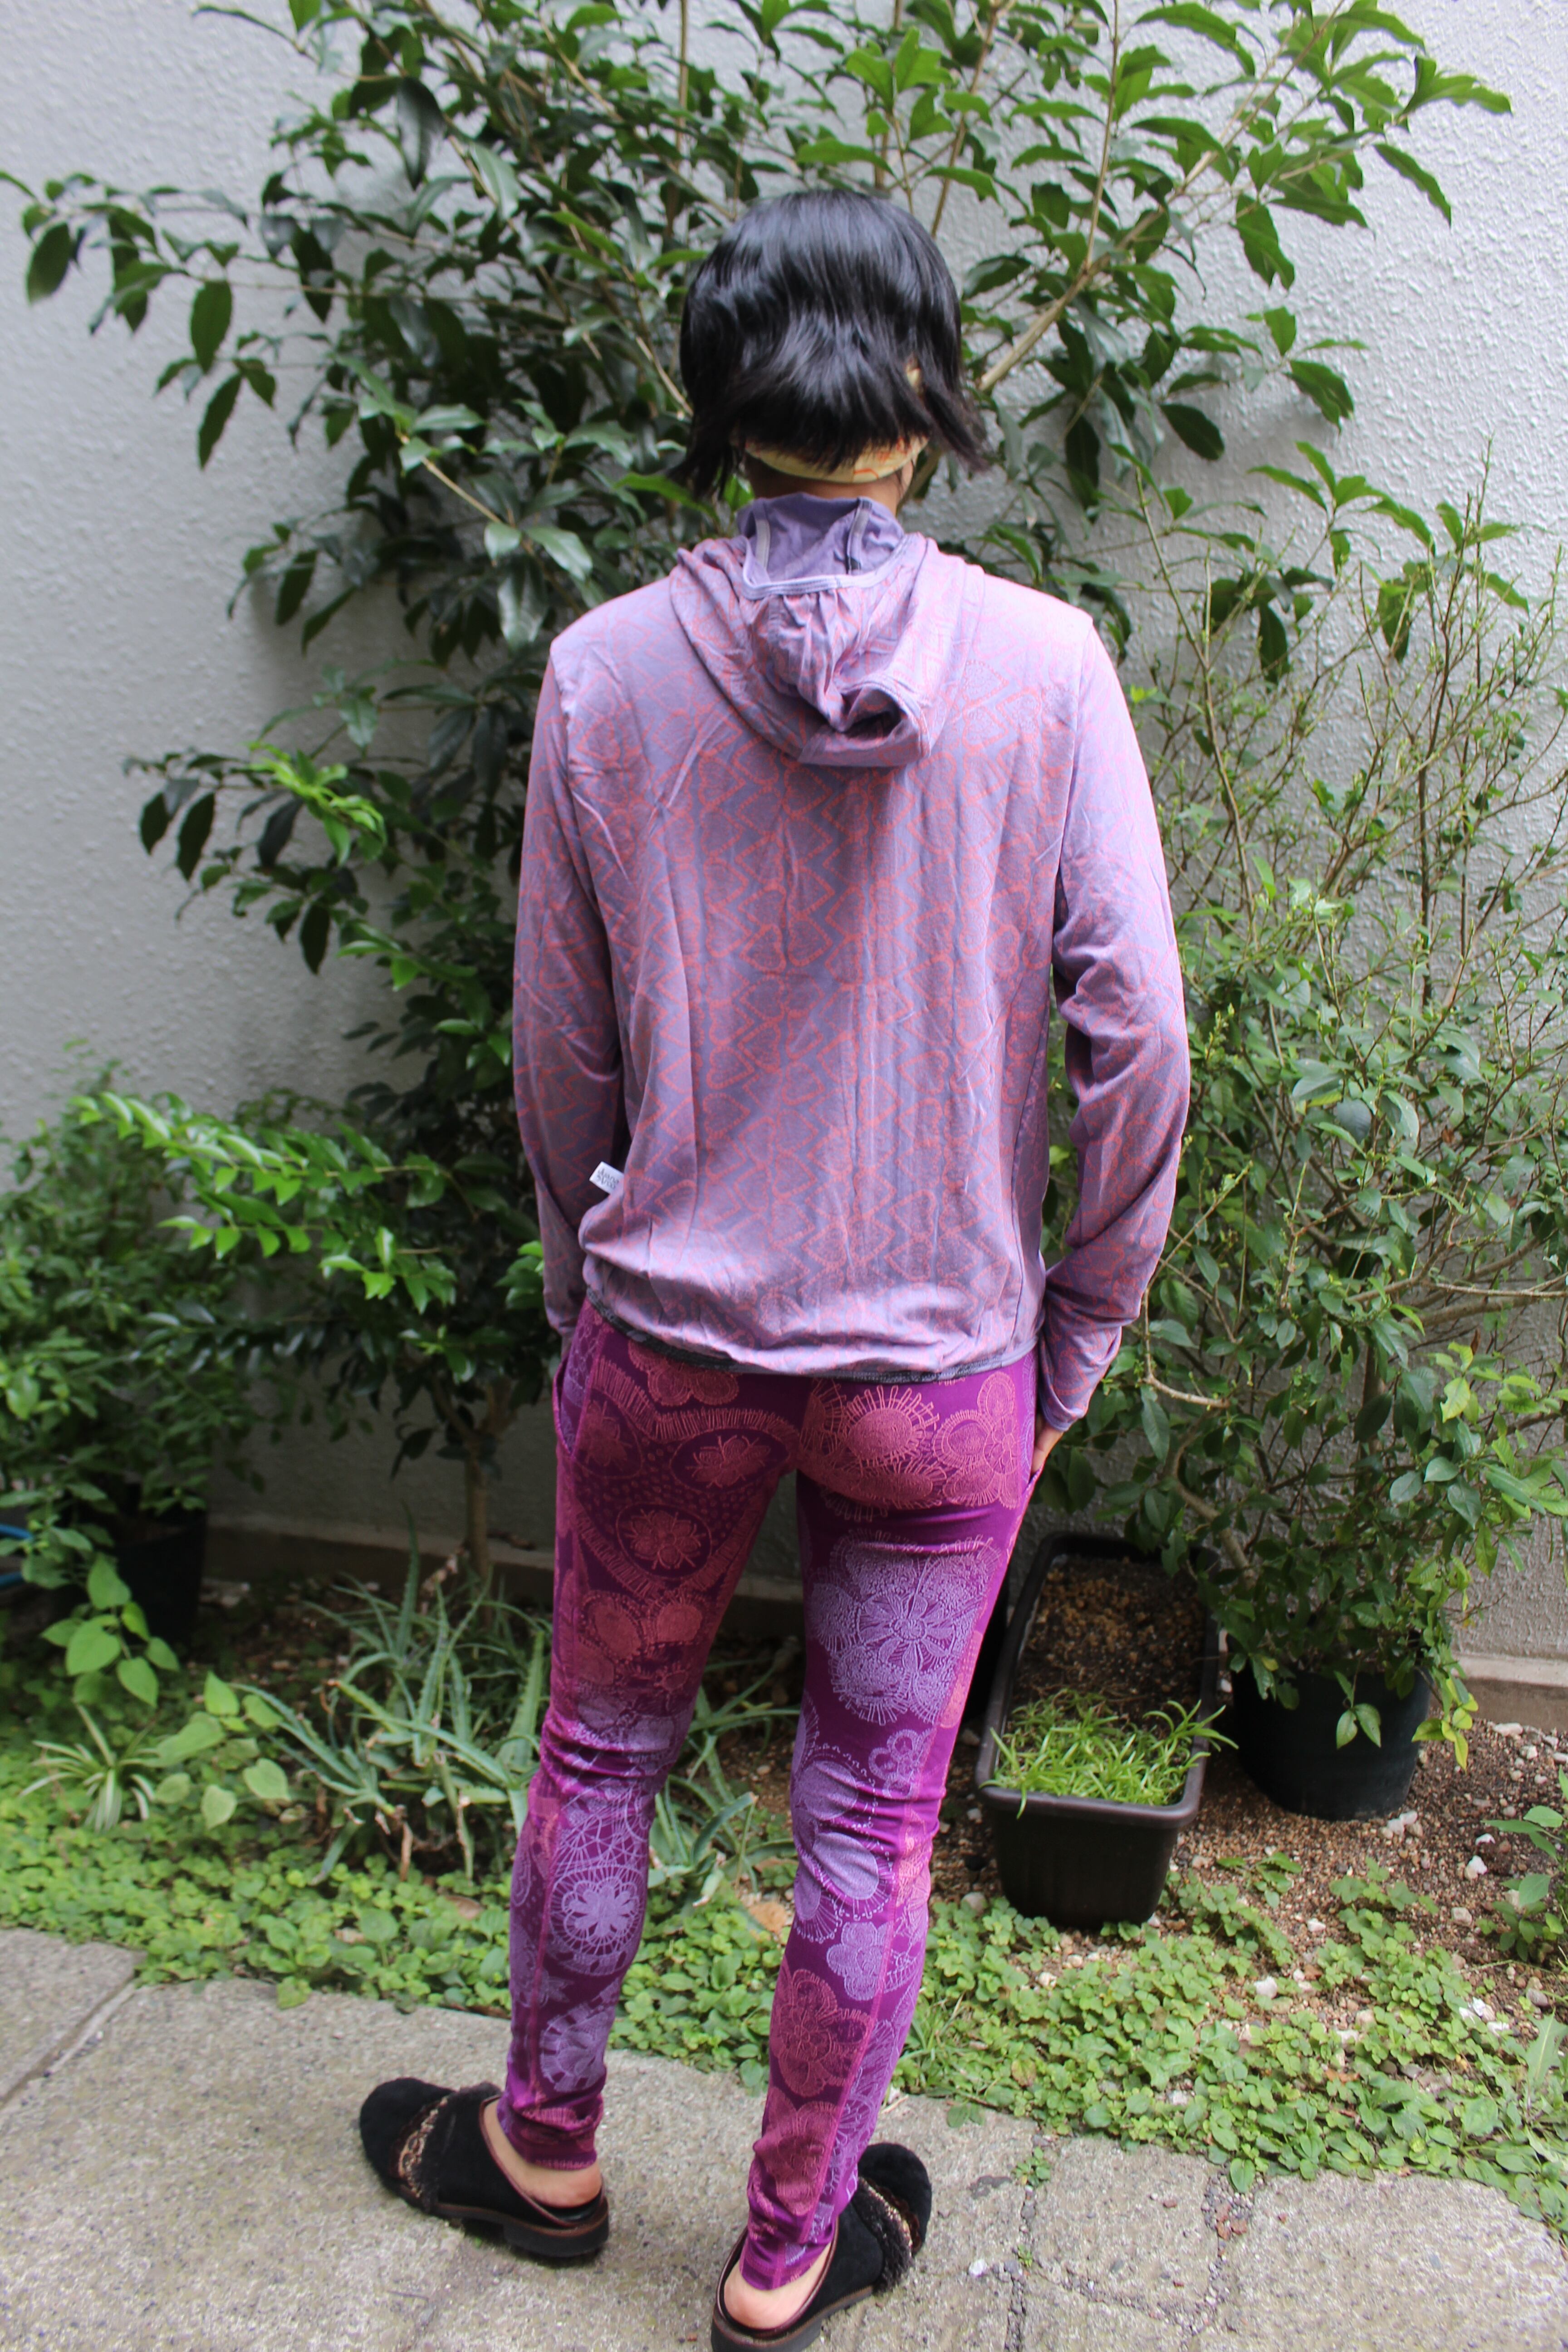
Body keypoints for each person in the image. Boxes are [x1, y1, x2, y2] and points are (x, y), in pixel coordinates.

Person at [359, 186, 1189, 2352]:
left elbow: (559, 1049)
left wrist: (589, 1290)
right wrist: (1074, 1331)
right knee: (872, 1816)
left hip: (674, 1350)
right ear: (927, 398)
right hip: (942, 1376)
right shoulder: (1047, 669)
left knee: (602, 1754)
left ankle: (546, 2147)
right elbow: (1142, 1041)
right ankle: (786, 2247)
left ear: (723, 405)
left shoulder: (607, 673)